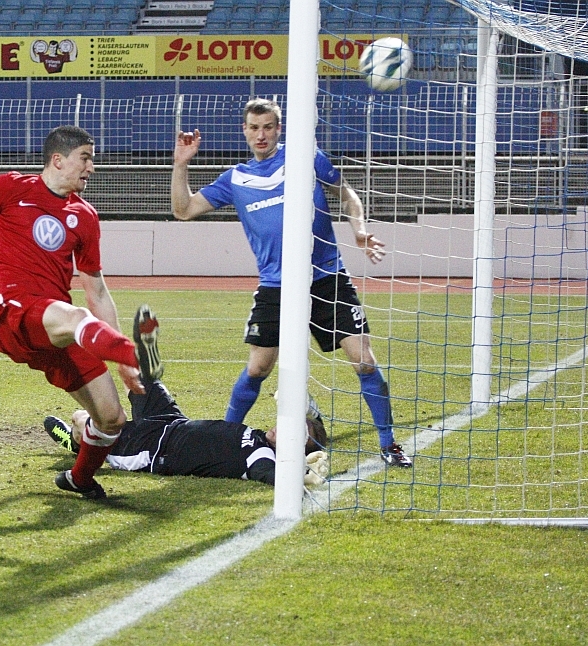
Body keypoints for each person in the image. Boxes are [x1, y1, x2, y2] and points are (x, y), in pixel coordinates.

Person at [170, 97, 412, 468]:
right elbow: (183, 210)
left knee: (364, 361)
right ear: (244, 131)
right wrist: (181, 164)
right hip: (276, 284)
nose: (261, 134)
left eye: (268, 127)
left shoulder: (306, 157)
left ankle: (389, 444)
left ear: (278, 129)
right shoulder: (236, 179)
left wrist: (359, 229)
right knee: (258, 369)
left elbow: (347, 194)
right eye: (254, 128)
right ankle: (224, 443)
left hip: (326, 276)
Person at [0, 125, 143, 500]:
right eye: (85, 158)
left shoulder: (85, 216)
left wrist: (119, 361)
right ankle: (135, 353)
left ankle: (79, 479)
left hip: (53, 329)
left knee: (112, 418)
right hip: (12, 313)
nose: (91, 167)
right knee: (76, 317)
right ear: (58, 160)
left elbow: (96, 290)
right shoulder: (9, 188)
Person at [44, 305, 330, 487]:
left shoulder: (260, 456)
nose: (283, 428)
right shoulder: (257, 438)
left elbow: (273, 477)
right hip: (171, 421)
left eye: (293, 435)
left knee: (83, 418)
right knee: (139, 373)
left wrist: (303, 473)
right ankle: (142, 359)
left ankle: (78, 442)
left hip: (152, 450)